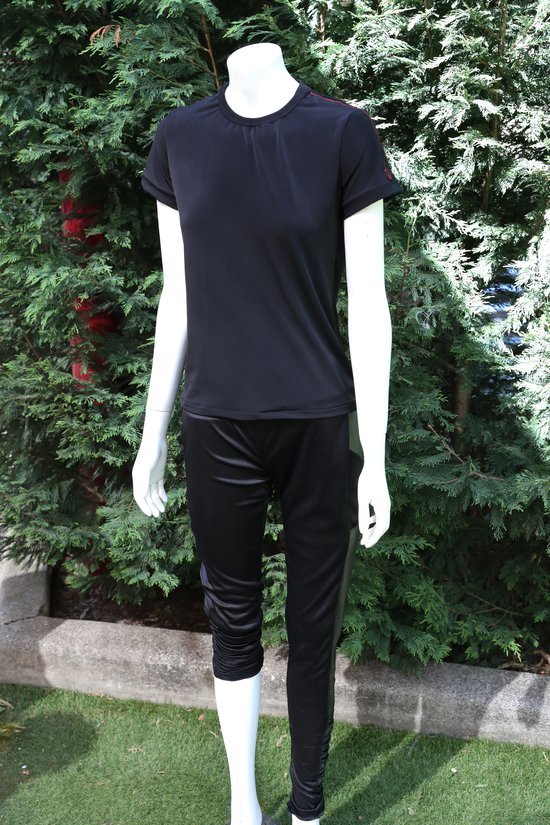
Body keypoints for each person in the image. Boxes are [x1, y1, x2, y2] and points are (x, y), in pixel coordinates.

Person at [133, 42, 403, 825]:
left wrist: (375, 456)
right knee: (233, 621)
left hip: (316, 421)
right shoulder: (181, 136)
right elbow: (177, 297)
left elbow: (370, 306)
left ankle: (307, 809)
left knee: (313, 631)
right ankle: (244, 806)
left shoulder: (341, 133)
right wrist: (153, 432)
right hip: (217, 421)